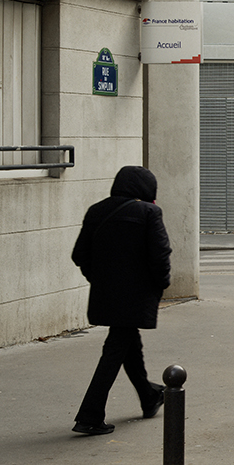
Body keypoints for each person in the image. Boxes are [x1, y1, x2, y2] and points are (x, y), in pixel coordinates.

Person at [70, 165, 172, 435]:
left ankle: (149, 397)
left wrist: (99, 279)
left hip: (106, 294)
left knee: (127, 343)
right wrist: (160, 285)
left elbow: (80, 254)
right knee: (115, 349)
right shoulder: (149, 213)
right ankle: (90, 415)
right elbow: (160, 256)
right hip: (136, 296)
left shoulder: (97, 211)